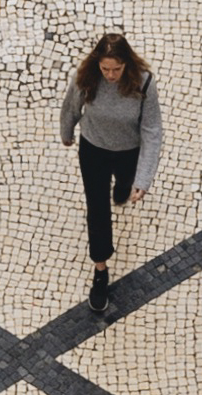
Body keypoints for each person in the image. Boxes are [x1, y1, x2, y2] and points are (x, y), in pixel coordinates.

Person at [60, 30, 163, 321]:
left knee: (125, 186)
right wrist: (67, 133)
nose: (111, 74)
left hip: (129, 150)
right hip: (93, 148)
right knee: (97, 208)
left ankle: (124, 186)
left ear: (126, 65)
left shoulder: (143, 83)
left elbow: (152, 129)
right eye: (106, 69)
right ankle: (100, 269)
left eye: (116, 69)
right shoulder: (87, 77)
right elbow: (71, 106)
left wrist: (143, 178)